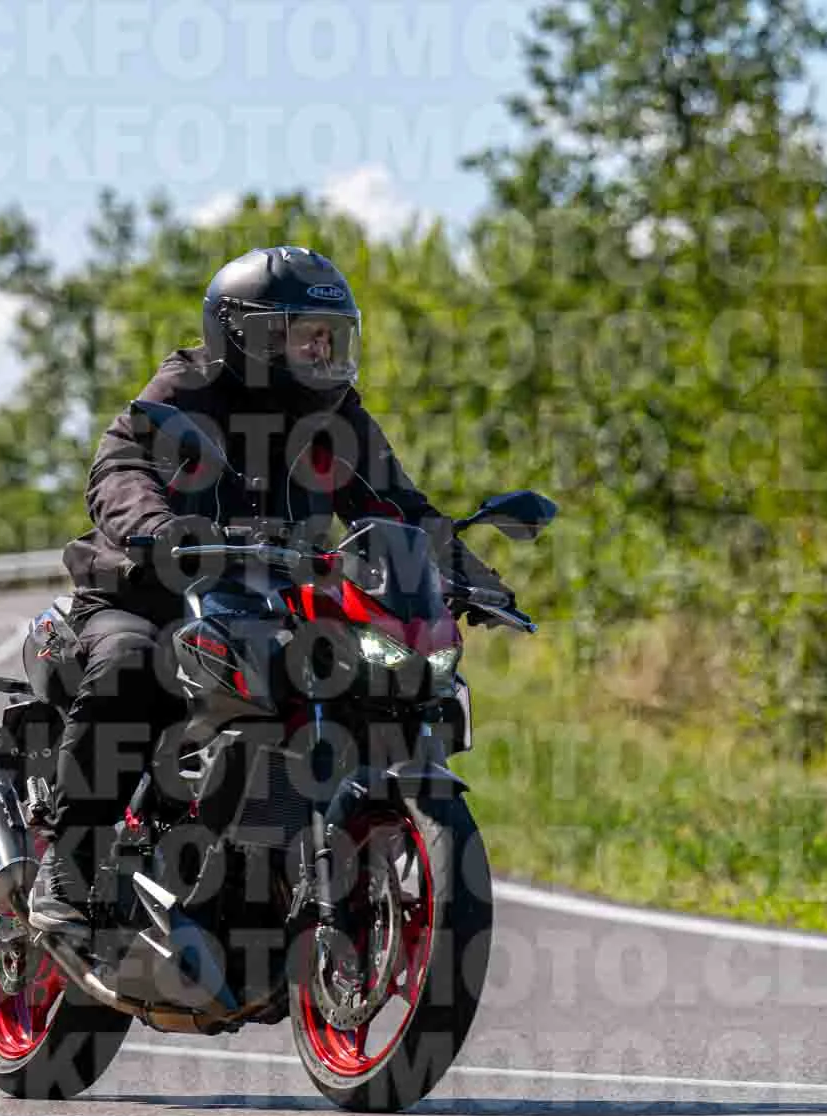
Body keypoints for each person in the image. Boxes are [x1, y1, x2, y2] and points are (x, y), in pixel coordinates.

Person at [27, 244, 515, 938]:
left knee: (357, 681)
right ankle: (70, 867)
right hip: (149, 592)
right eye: (306, 335)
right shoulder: (187, 390)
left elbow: (398, 507)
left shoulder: (336, 416)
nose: (322, 352)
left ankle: (274, 865)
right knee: (131, 665)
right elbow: (122, 467)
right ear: (247, 336)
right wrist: (158, 528)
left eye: (332, 337)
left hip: (269, 601)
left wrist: (471, 576)